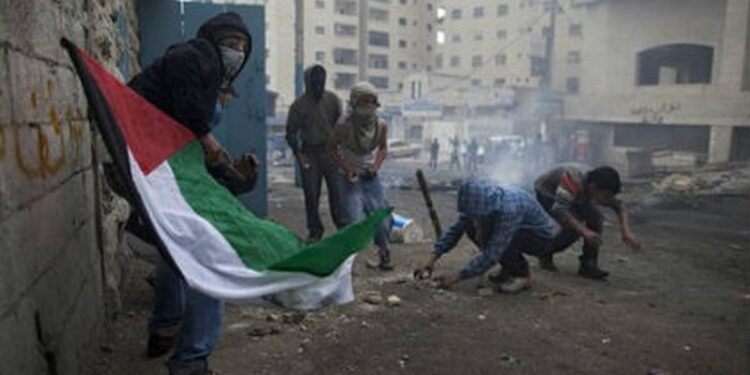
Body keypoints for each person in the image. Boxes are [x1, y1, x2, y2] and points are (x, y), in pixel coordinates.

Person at [127, 12, 255, 375]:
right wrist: (208, 137)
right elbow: (186, 109)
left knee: (177, 249)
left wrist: (234, 173)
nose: (237, 52)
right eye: (230, 43)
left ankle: (165, 328)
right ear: (212, 40)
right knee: (209, 254)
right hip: (151, 164)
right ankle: (191, 359)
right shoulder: (196, 54)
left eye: (243, 47)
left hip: (161, 166)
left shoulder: (211, 81)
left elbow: (189, 143)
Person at [413, 180, 556, 292]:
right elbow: (455, 230)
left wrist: (458, 276)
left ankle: (522, 276)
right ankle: (508, 268)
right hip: (520, 230)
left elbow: (494, 250)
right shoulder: (479, 199)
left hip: (541, 238)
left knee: (501, 240)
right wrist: (431, 259)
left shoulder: (509, 210)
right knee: (470, 226)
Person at [534, 165, 641, 280]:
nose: (607, 201)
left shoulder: (599, 185)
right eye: (605, 196)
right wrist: (583, 230)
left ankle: (588, 264)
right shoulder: (572, 179)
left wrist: (626, 232)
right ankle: (545, 252)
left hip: (577, 194)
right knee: (573, 229)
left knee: (596, 217)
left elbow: (619, 206)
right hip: (548, 193)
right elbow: (559, 209)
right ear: (593, 188)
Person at [328, 82, 393, 270]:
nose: (368, 106)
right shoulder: (344, 125)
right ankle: (347, 266)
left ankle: (384, 255)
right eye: (363, 101)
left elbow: (383, 148)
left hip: (371, 177)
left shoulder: (381, 125)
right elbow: (331, 148)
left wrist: (376, 165)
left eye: (371, 101)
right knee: (353, 221)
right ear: (354, 102)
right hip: (349, 179)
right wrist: (347, 168)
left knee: (381, 218)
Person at [286, 64, 345, 242]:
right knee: (311, 195)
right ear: (307, 82)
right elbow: (290, 133)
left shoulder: (333, 100)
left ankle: (342, 227)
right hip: (310, 153)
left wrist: (341, 150)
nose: (319, 84)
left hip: (331, 152)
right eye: (315, 81)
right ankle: (315, 230)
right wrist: (299, 155)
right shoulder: (298, 106)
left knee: (337, 193)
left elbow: (340, 125)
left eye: (321, 80)